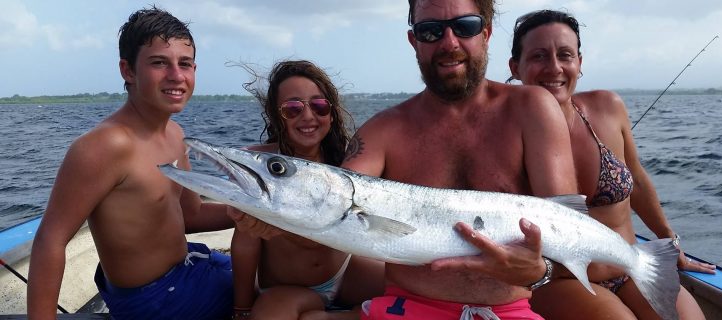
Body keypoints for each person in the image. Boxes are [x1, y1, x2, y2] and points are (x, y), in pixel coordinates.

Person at [230, 0, 578, 318]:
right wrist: (273, 220)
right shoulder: (382, 131)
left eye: (465, 26)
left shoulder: (533, 108)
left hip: (509, 309)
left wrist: (539, 271)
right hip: (405, 308)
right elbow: (331, 217)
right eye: (430, 31)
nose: (449, 42)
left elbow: (570, 234)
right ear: (414, 41)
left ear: (485, 33)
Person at [27, 7, 235, 320]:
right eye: (159, 63)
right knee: (272, 293)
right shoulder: (105, 146)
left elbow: (190, 215)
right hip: (153, 301)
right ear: (128, 71)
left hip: (189, 267)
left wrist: (246, 212)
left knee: (268, 261)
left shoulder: (176, 134)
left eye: (185, 64)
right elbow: (50, 240)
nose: (176, 76)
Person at [507, 9, 716, 319]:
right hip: (558, 280)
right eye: (539, 56)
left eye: (565, 55)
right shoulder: (504, 130)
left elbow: (639, 182)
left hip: (631, 266)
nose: (554, 67)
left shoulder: (608, 107)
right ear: (515, 66)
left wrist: (670, 243)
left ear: (580, 62)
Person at [230, 60, 385, 320]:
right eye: (293, 108)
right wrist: (241, 308)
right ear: (275, 114)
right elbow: (245, 243)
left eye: (319, 106)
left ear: (332, 113)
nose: (308, 116)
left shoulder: (347, 160)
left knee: (421, 294)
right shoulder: (256, 165)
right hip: (287, 287)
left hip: (345, 271)